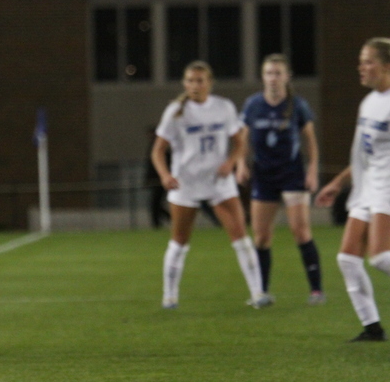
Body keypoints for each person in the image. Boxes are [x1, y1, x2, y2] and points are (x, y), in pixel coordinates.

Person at [151, 60, 273, 310]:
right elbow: (158, 150)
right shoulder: (176, 111)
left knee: (240, 236)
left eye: (200, 80)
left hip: (219, 182)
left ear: (210, 83)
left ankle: (258, 293)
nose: (195, 85)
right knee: (179, 241)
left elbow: (239, 142)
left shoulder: (223, 107)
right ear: (185, 84)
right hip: (187, 183)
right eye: (190, 81)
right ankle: (170, 296)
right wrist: (165, 175)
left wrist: (231, 162)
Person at [316, 37, 390, 341]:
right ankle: (372, 327)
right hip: (367, 187)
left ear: (387, 66)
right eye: (361, 60)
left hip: (388, 187)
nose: (361, 67)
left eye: (368, 61)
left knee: (380, 256)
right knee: (347, 258)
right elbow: (363, 154)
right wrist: (338, 182)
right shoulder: (369, 102)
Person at [237, 54, 325, 305]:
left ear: (287, 77)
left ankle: (316, 290)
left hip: (292, 174)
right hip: (264, 176)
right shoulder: (253, 104)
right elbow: (243, 138)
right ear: (263, 77)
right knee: (262, 237)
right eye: (269, 73)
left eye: (278, 73)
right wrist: (241, 163)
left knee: (301, 231)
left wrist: (312, 170)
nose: (273, 78)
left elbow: (309, 139)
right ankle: (261, 292)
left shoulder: (297, 105)